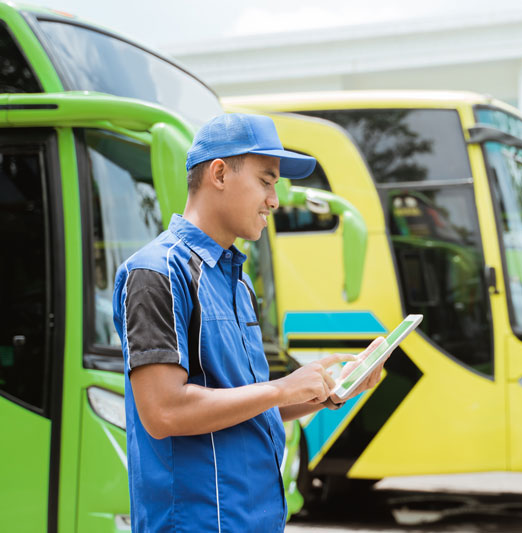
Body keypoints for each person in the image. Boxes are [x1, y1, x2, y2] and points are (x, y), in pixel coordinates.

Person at [112, 113, 386, 532]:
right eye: (267, 181)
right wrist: (281, 387)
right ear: (219, 174)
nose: (274, 201)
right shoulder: (156, 272)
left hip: (253, 518)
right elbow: (163, 411)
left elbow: (246, 401)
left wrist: (327, 390)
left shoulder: (236, 282)